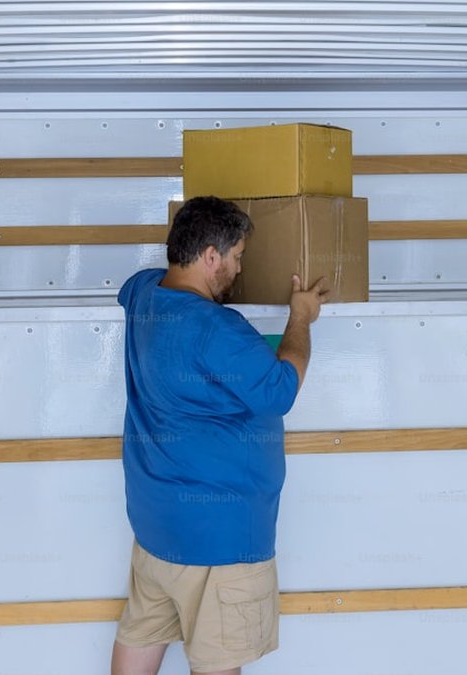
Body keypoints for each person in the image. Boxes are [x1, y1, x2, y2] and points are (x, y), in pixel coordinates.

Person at [111, 196, 328, 675]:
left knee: (141, 637)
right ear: (210, 256)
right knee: (217, 662)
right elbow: (280, 390)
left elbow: (133, 287)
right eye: (236, 258)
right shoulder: (215, 328)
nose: (238, 268)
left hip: (156, 528)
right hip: (221, 543)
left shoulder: (145, 294)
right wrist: (301, 317)